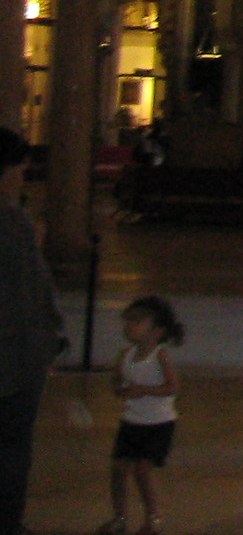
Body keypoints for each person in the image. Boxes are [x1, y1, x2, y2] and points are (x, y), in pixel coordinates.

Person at [0, 126, 63, 535]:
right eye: (19, 168)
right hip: (13, 359)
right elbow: (31, 292)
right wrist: (49, 339)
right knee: (10, 448)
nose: (22, 176)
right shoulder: (12, 223)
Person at [99, 295, 181, 535]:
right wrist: (120, 387)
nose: (128, 326)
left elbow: (172, 387)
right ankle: (119, 517)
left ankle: (152, 517)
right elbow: (117, 383)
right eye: (128, 321)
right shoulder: (125, 355)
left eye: (136, 321)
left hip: (158, 423)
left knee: (143, 470)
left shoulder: (160, 355)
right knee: (118, 468)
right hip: (132, 421)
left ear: (156, 331)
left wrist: (142, 390)